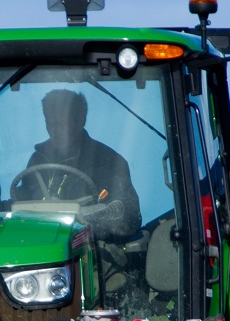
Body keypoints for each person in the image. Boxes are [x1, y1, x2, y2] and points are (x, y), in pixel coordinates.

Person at [11, 89, 141, 241]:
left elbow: (129, 218)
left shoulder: (108, 162)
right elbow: (24, 199)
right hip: (42, 243)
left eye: (60, 124)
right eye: (49, 123)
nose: (53, 131)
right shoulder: (38, 160)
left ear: (80, 121)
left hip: (92, 250)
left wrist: (95, 219)